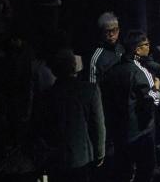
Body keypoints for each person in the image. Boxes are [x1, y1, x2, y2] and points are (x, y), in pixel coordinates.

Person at [34, 49, 106, 182]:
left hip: (56, 158)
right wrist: (100, 153)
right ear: (74, 66)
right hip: (83, 157)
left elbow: (42, 129)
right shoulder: (90, 90)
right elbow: (98, 126)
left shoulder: (47, 96)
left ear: (54, 70)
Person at [103, 31, 159, 182]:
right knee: (145, 171)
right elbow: (152, 101)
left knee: (122, 172)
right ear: (137, 49)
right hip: (141, 133)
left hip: (119, 132)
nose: (149, 47)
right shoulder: (140, 72)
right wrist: (157, 88)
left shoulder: (113, 70)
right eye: (146, 44)